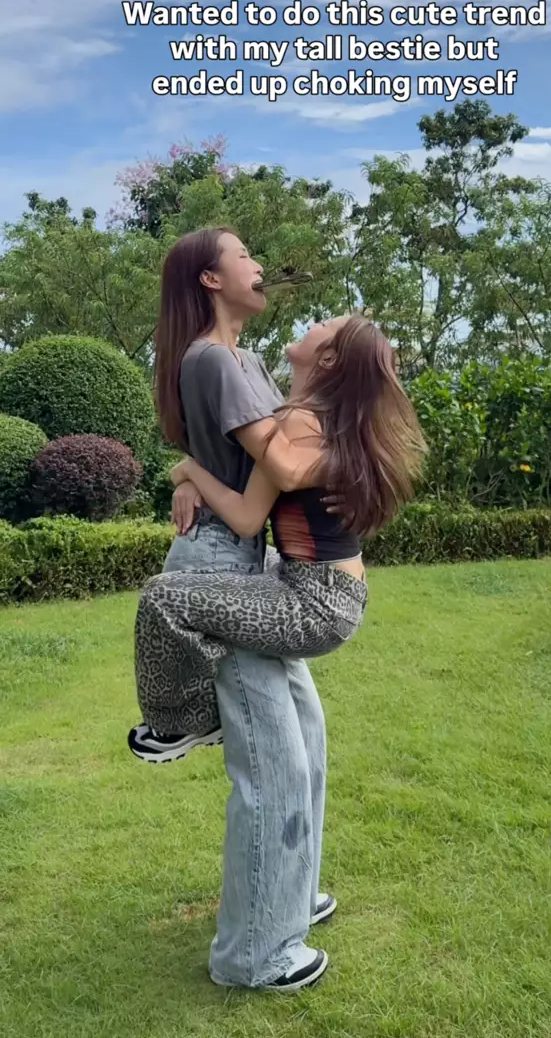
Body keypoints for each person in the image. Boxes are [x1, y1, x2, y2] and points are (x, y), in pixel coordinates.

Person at [130, 309, 425, 992]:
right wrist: (191, 477)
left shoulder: (303, 423)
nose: (315, 320)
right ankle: (297, 892)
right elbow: (245, 506)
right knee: (298, 740)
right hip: (307, 586)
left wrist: (187, 468)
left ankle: (179, 721)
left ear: (329, 359)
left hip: (313, 601)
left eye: (328, 324)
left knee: (164, 599)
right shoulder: (309, 417)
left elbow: (263, 492)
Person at [139, 227, 341, 993]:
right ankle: (254, 955)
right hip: (220, 565)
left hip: (243, 562)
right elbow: (282, 467)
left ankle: (289, 893)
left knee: (305, 740)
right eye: (245, 253)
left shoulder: (241, 360)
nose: (259, 264)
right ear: (211, 279)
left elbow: (245, 460)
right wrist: (190, 472)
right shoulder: (212, 360)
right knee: (272, 764)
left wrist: (187, 472)